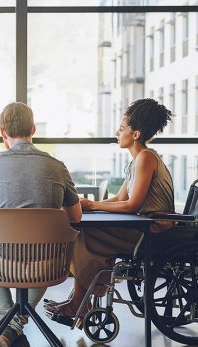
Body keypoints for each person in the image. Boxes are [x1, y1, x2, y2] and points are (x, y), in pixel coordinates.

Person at [0, 102, 82, 347]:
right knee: (46, 248)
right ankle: (14, 326)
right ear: (33, 129)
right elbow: (75, 216)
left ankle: (6, 322)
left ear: (2, 132)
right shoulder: (57, 166)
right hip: (47, 264)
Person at [45, 98, 174, 319]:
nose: (117, 131)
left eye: (122, 128)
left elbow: (133, 205)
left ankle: (79, 303)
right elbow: (119, 198)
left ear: (136, 134)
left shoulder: (145, 158)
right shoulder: (138, 160)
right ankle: (79, 300)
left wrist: (93, 204)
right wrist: (89, 206)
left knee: (84, 235)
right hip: (144, 225)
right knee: (84, 232)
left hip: (154, 229)